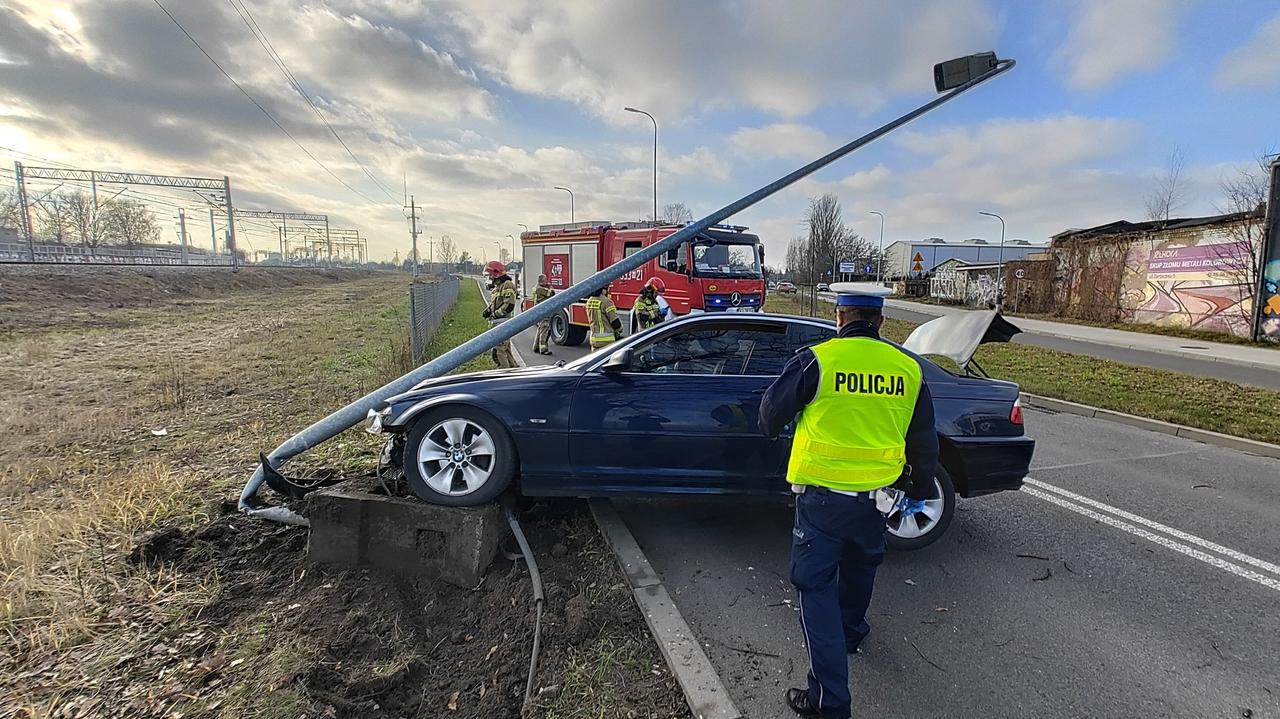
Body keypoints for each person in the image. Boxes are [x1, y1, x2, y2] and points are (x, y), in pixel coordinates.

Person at [758, 282, 939, 719]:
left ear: (839, 318)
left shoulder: (818, 361)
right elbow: (923, 440)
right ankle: (852, 633)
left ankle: (830, 701)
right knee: (861, 567)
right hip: (877, 500)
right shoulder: (907, 369)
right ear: (880, 321)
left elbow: (768, 417)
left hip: (821, 502)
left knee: (814, 586)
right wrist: (918, 486)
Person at [481, 260, 517, 368]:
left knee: (498, 352)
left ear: (496, 274)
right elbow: (496, 303)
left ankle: (504, 376)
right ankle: (514, 372)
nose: (489, 278)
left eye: (490, 275)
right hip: (499, 323)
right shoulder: (498, 287)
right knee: (505, 350)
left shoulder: (507, 285)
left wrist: (495, 314)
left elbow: (509, 305)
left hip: (503, 323)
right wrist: (488, 311)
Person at [585, 285, 622, 350]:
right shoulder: (607, 302)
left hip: (594, 340)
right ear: (603, 290)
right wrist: (619, 330)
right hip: (606, 341)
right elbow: (615, 322)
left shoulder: (589, 301)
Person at [532, 273, 556, 355]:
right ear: (541, 281)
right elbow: (551, 293)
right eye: (545, 280)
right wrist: (550, 287)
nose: (547, 281)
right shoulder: (540, 289)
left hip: (539, 310)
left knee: (540, 329)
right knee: (544, 330)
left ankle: (536, 347)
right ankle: (543, 349)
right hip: (543, 311)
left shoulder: (536, 288)